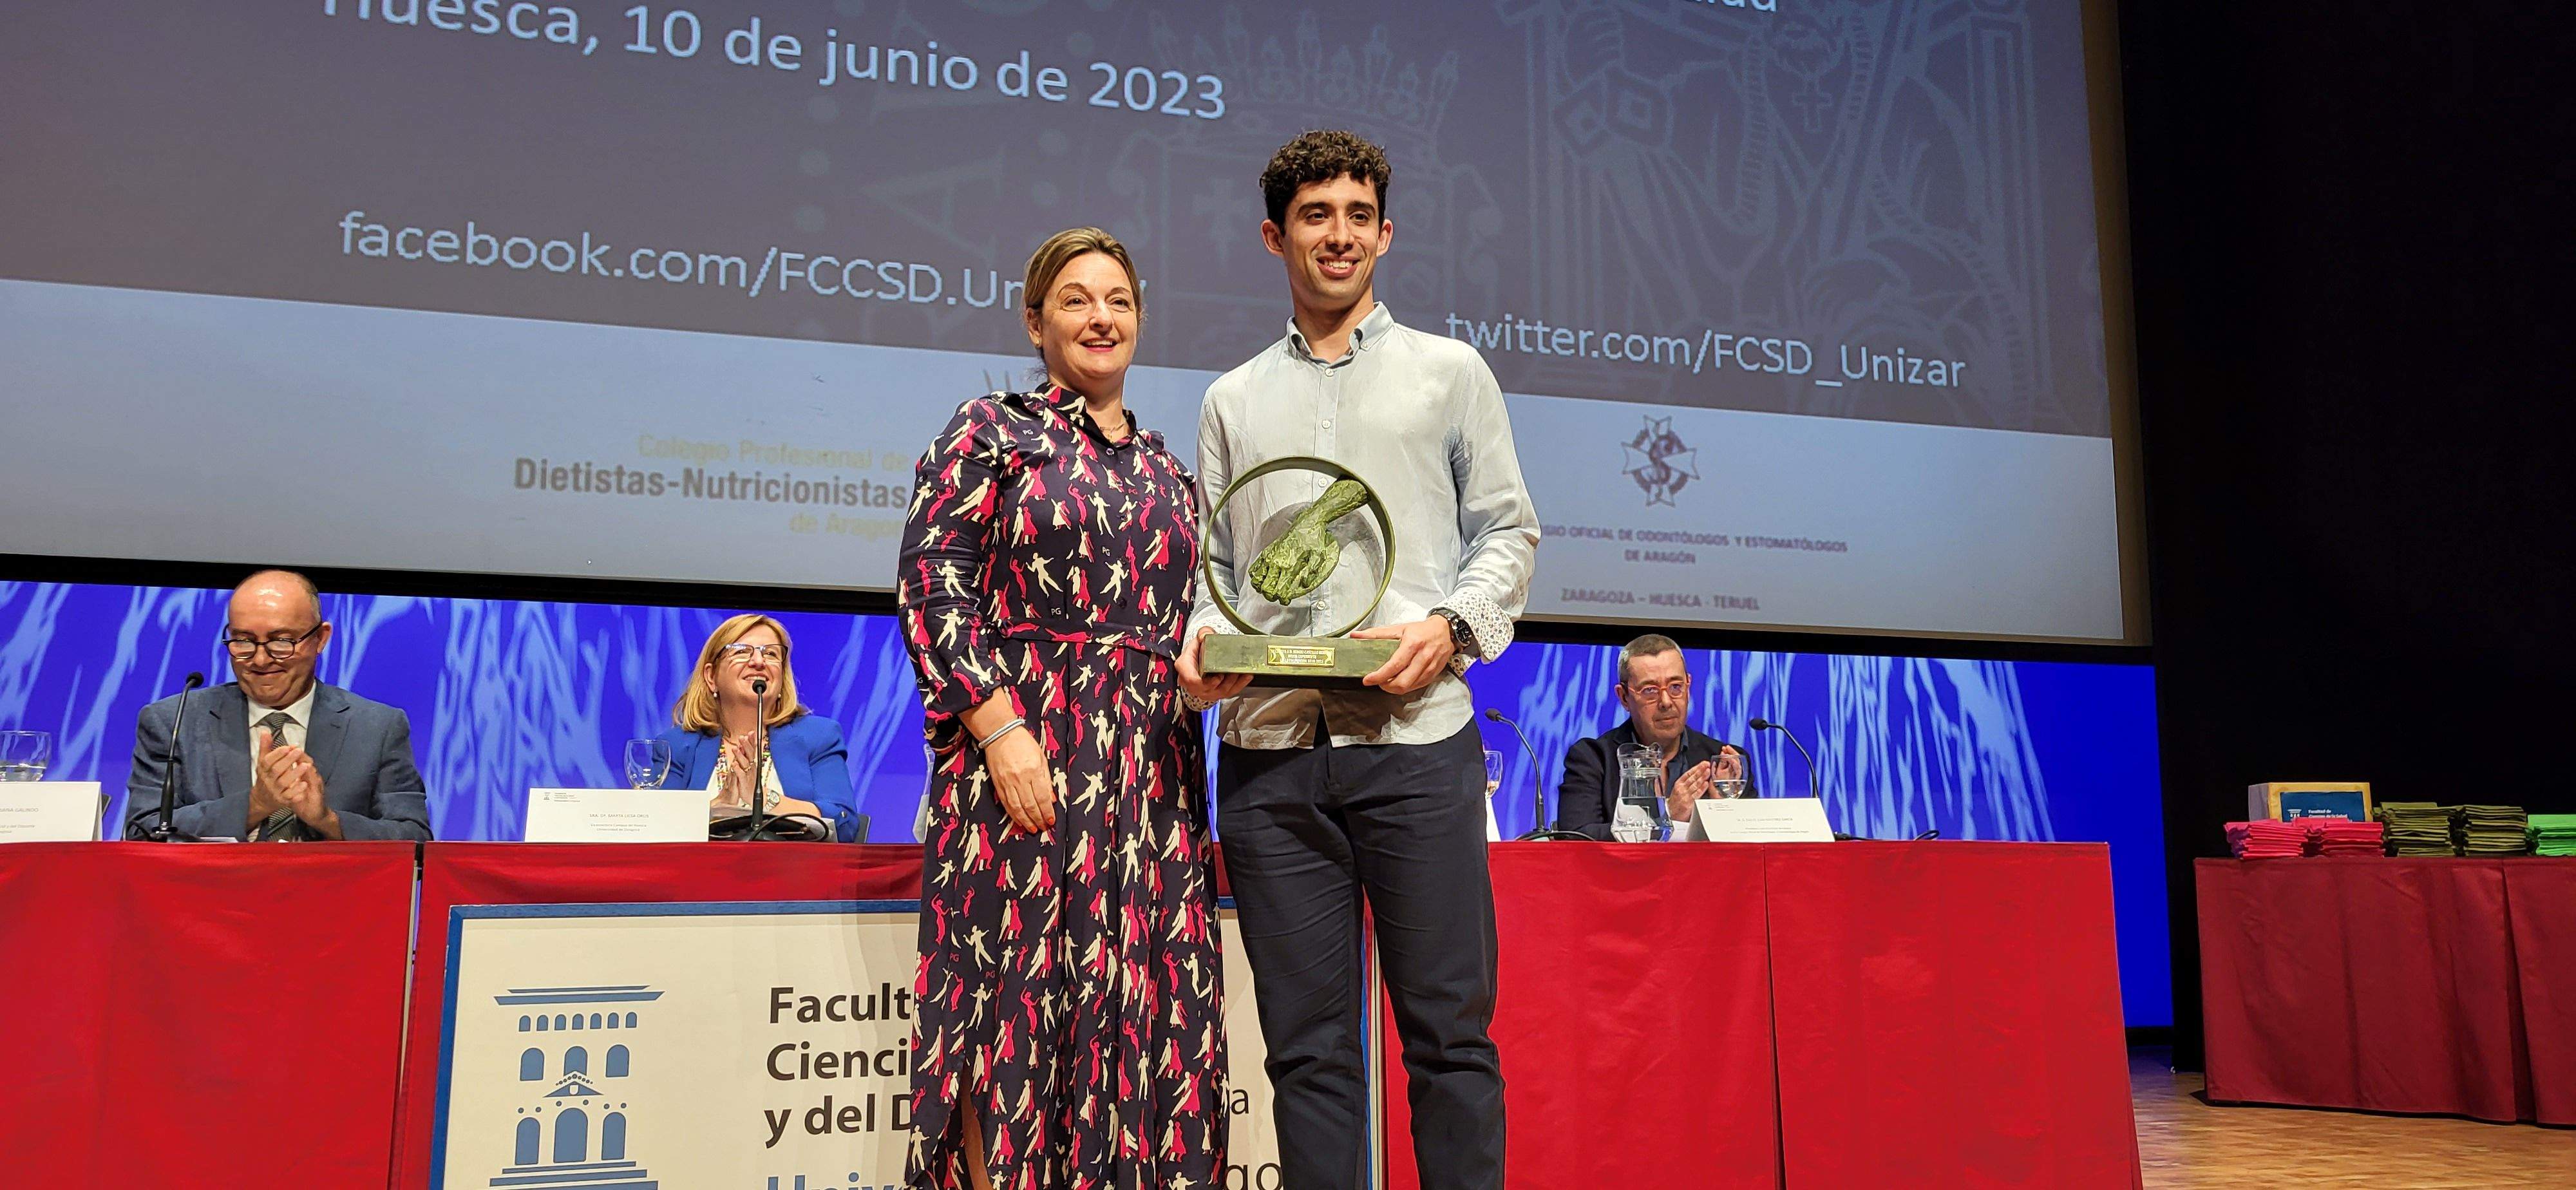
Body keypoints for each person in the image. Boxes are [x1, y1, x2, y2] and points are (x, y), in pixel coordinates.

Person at [1177, 130, 1539, 1190]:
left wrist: (1453, 628)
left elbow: (1508, 532)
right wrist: (1200, 646)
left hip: (1417, 745)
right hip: (1270, 756)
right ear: (1274, 236)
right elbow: (1213, 570)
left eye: (1357, 215)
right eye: (1314, 216)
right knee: (1307, 1055)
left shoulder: (1450, 373)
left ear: (1386, 234)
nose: (1338, 235)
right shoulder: (1232, 399)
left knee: (1450, 1040)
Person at [897, 227, 1225, 1189]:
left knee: (1147, 1012)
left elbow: (1193, 621)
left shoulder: (1171, 472)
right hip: (1022, 767)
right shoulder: (989, 431)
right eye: (1076, 300)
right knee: (1009, 1012)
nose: (1100, 317)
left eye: (1118, 300)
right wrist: (998, 729)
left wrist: (1207, 675)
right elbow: (932, 585)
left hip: (1151, 782)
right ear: (1035, 322)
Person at [124, 569, 431, 841]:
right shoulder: (173, 722)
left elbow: (413, 838)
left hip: (330, 889)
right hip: (214, 889)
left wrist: (327, 821)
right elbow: (143, 831)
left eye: (282, 641)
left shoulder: (377, 727)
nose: (260, 660)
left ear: (320, 638)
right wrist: (255, 805)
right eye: (243, 641)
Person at [653, 613, 862, 842]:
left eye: (771, 654)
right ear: (711, 677)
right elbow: (652, 826)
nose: (758, 662)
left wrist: (766, 799)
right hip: (700, 865)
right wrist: (716, 807)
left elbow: (845, 825)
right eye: (742, 651)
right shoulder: (677, 746)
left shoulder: (819, 736)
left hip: (793, 865)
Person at [1554, 634, 1757, 841]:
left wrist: (1723, 811)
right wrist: (1663, 817)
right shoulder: (1594, 759)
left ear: (1688, 687)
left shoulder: (1723, 763)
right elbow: (1575, 838)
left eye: (1676, 686)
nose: (1666, 702)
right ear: (1624, 697)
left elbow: (1755, 846)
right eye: (1650, 690)